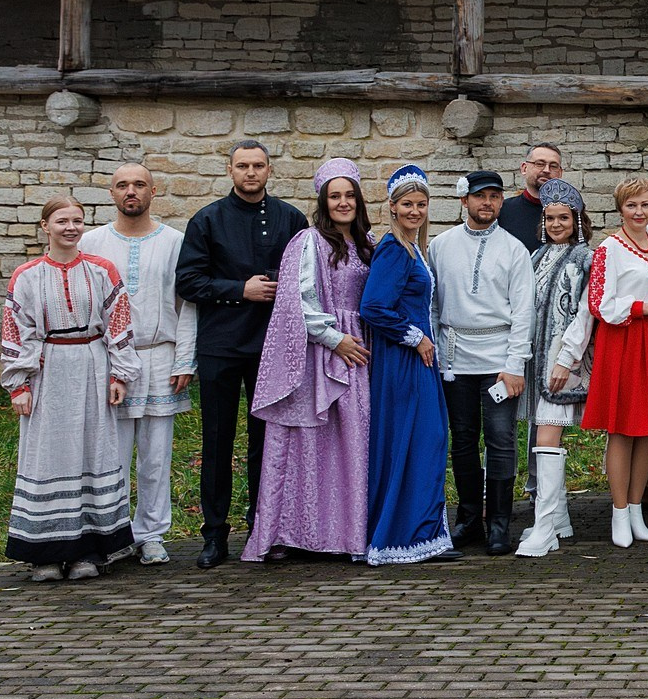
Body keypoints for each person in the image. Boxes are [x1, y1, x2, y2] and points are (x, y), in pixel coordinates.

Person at [175, 139, 308, 569]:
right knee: (216, 441)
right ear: (230, 171)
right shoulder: (207, 220)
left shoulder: (291, 218)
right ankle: (214, 535)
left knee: (265, 442)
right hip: (221, 346)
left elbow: (307, 277)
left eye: (258, 166)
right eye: (242, 166)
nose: (251, 173)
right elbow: (188, 282)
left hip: (273, 345)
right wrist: (239, 290)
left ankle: (262, 527)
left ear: (270, 170)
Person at [243, 159, 374, 563]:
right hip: (320, 351)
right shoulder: (308, 241)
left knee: (352, 439)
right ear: (323, 200)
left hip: (361, 349)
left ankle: (349, 532)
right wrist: (336, 340)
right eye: (335, 196)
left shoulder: (369, 243)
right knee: (304, 443)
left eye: (349, 194)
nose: (343, 202)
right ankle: (290, 533)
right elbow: (299, 301)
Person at [3, 197, 138, 582]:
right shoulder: (26, 276)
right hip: (48, 370)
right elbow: (15, 331)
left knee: (93, 451)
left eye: (77, 221)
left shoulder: (102, 271)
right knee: (48, 454)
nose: (71, 228)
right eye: (62, 221)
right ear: (45, 226)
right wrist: (19, 385)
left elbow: (120, 324)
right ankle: (45, 553)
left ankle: (88, 551)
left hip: (93, 365)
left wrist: (120, 375)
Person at [80, 164, 195, 567]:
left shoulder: (175, 242)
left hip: (160, 355)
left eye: (140, 184)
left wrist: (185, 358)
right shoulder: (91, 242)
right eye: (123, 185)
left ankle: (150, 533)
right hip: (106, 360)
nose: (132, 191)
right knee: (108, 454)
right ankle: (112, 533)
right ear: (111, 193)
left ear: (153, 191)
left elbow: (188, 304)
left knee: (155, 454)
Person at [429, 169, 535, 556]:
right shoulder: (441, 246)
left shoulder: (513, 249)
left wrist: (515, 364)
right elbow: (435, 303)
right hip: (455, 357)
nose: (486, 203)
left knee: (501, 440)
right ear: (464, 201)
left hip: (498, 358)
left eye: (493, 196)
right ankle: (469, 518)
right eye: (479, 196)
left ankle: (499, 524)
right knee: (462, 440)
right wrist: (439, 354)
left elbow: (524, 312)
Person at [359, 166, 456, 566]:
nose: (414, 211)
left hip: (420, 359)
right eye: (407, 205)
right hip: (403, 360)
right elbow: (373, 306)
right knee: (417, 440)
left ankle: (424, 532)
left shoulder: (416, 248)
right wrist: (415, 338)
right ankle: (405, 535)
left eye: (420, 204)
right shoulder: (393, 249)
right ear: (392, 208)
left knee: (426, 441)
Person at [579, 178, 648, 548]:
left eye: (645, 205)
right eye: (631, 206)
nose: (639, 212)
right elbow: (599, 303)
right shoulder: (610, 248)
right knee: (623, 428)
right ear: (620, 209)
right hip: (624, 340)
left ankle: (637, 511)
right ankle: (619, 512)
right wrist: (642, 307)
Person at [514, 179, 594, 558]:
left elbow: (584, 312)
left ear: (576, 220)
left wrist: (566, 358)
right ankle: (559, 516)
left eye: (563, 217)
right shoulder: (535, 256)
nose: (556, 224)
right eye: (550, 218)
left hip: (563, 363)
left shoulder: (584, 258)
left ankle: (545, 526)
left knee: (547, 438)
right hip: (534, 361)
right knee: (539, 434)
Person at [496, 142, 563, 253]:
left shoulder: (570, 213)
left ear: (560, 173)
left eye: (553, 166)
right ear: (524, 168)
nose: (547, 170)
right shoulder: (503, 210)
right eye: (540, 164)